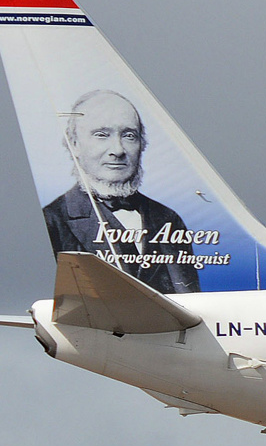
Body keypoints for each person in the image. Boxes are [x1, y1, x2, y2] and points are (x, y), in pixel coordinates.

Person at [42, 90, 201, 294]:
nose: (118, 150)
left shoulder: (168, 219)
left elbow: (192, 298)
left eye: (129, 136)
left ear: (141, 145)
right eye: (102, 135)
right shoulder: (53, 220)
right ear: (74, 145)